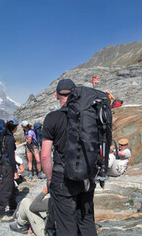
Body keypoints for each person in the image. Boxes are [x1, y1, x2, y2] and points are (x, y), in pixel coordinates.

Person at [40, 79, 97, 235]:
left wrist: (51, 180)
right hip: (87, 176)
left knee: (66, 226)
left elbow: (45, 156)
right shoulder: (89, 117)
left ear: (56, 95)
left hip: (63, 178)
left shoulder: (52, 118)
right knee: (86, 221)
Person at [0, 117, 20, 221]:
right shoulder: (9, 138)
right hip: (8, 166)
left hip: (3, 164)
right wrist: (15, 171)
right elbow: (11, 155)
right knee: (6, 188)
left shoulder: (4, 136)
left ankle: (13, 206)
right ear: (15, 127)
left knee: (10, 186)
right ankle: (1, 212)